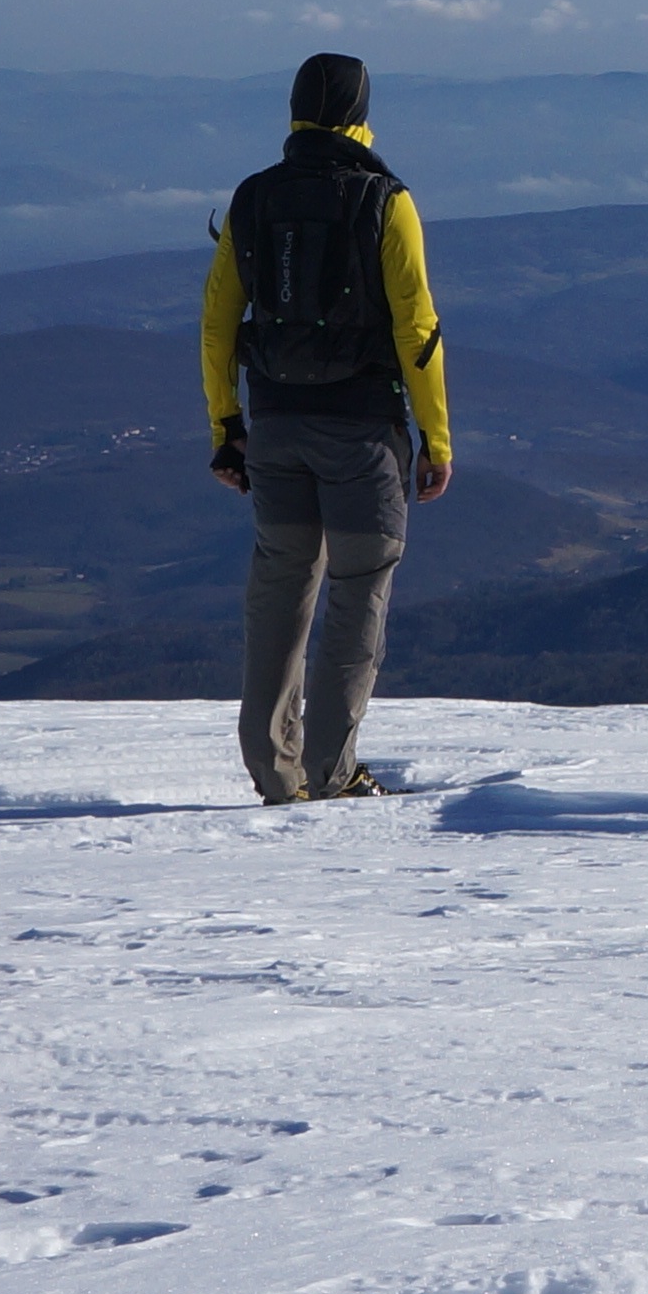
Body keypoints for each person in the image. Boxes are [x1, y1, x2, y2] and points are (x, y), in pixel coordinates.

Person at [201, 52, 454, 803]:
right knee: (358, 589)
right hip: (363, 432)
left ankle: (274, 772)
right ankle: (330, 771)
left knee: (279, 587)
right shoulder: (385, 201)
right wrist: (436, 440)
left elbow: (218, 324)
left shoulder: (254, 199)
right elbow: (418, 330)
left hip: (274, 424)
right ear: (360, 110)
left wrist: (226, 424)